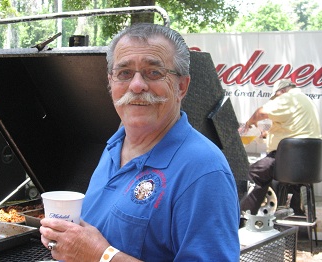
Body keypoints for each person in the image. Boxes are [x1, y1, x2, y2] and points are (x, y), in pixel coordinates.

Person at [40, 23, 240, 261]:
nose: (136, 85)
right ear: (111, 83)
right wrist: (69, 239)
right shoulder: (114, 146)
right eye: (124, 73)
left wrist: (101, 255)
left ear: (182, 87)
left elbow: (97, 251)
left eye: (153, 72)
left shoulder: (204, 170)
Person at [240, 79, 321, 216]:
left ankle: (244, 217)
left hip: (288, 160)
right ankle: (296, 217)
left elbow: (260, 113)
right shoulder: (305, 100)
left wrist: (249, 123)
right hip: (308, 165)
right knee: (290, 182)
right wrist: (267, 135)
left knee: (255, 173)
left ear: (281, 91)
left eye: (275, 97)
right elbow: (294, 131)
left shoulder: (288, 98)